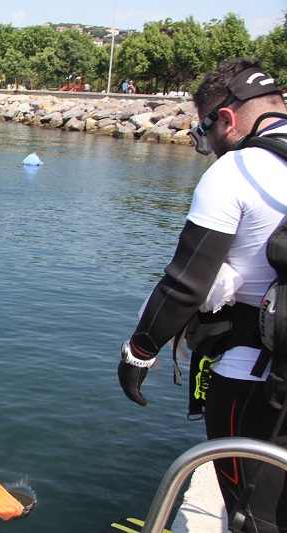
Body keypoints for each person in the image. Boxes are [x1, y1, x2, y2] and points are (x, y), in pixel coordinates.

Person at [117, 58, 287, 532]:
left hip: (255, 376)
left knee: (253, 512)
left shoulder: (237, 170)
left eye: (204, 132)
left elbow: (184, 282)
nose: (207, 145)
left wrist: (139, 352)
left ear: (226, 119)